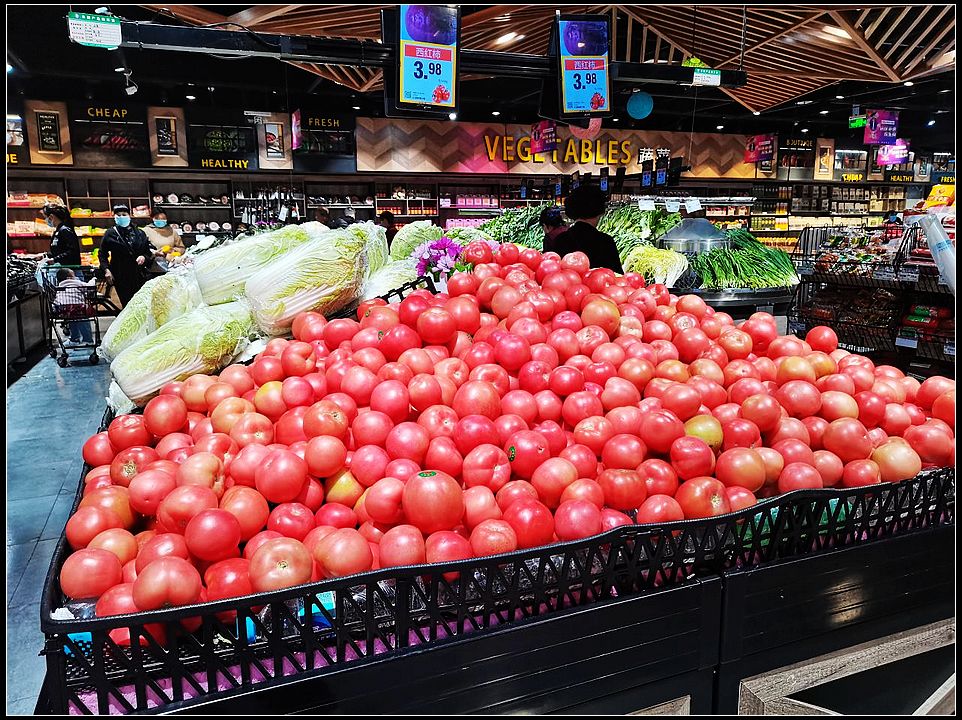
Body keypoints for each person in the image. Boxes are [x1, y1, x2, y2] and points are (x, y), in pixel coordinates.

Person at [552, 183, 623, 273]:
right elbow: (617, 276)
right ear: (601, 212)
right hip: (600, 282)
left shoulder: (561, 240)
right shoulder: (605, 242)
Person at [98, 204, 153, 307]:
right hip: (120, 275)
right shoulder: (110, 234)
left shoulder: (139, 233)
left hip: (139, 274)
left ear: (129, 216)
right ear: (114, 217)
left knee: (142, 304)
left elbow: (147, 252)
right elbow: (102, 254)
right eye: (118, 215)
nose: (121, 217)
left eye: (124, 214)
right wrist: (106, 269)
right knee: (127, 304)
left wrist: (144, 257)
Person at [31, 205, 82, 271]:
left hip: (71, 271)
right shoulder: (58, 230)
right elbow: (59, 250)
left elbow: (72, 251)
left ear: (51, 217)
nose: (45, 220)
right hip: (64, 269)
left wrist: (54, 260)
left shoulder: (65, 230)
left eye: (45, 217)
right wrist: (45, 255)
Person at [54, 267, 95, 346]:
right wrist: (93, 280)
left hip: (63, 309)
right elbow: (89, 287)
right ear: (69, 278)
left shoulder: (60, 286)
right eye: (74, 275)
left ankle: (74, 339)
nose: (76, 277)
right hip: (78, 308)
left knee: (72, 319)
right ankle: (88, 340)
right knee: (83, 319)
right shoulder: (76, 283)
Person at [143, 208, 184, 273]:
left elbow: (181, 248)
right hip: (153, 267)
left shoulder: (172, 231)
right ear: (152, 218)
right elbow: (142, 250)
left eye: (163, 218)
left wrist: (173, 250)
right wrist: (154, 253)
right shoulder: (146, 231)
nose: (160, 220)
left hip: (172, 266)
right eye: (157, 218)